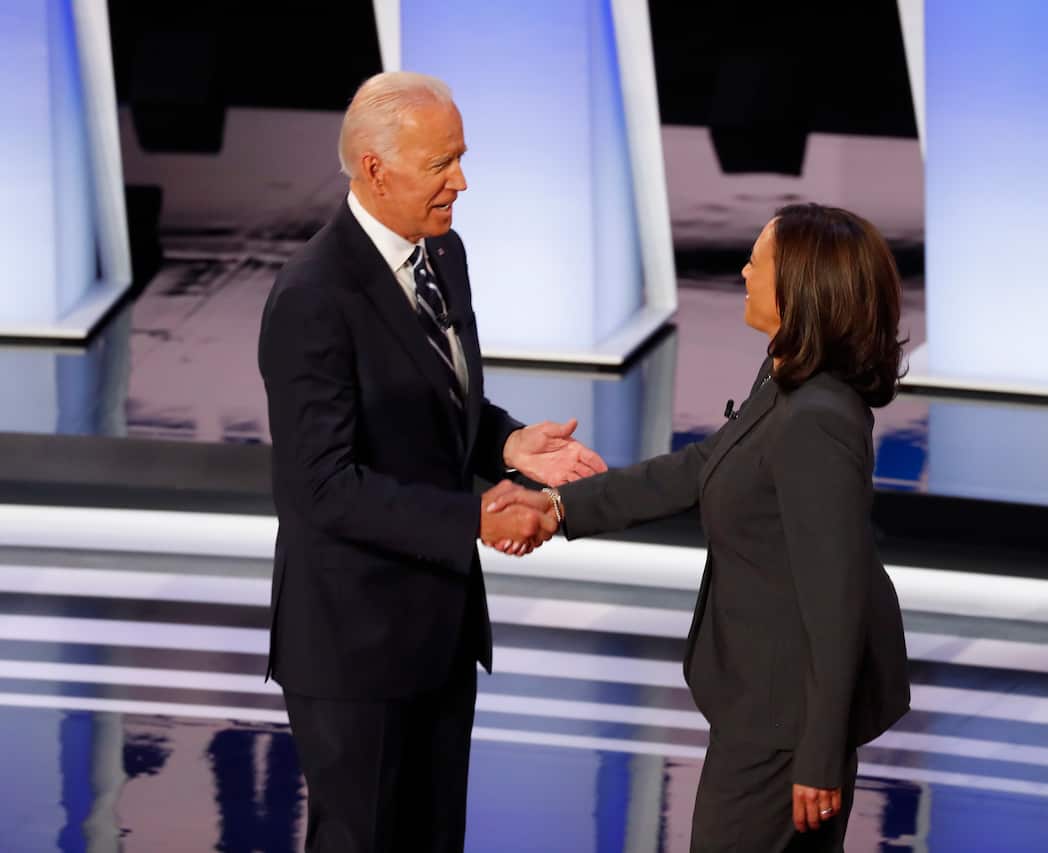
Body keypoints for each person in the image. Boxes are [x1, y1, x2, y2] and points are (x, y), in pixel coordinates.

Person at [257, 71, 604, 853]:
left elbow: (434, 403)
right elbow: (319, 487)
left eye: (462, 157)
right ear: (376, 170)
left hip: (439, 631)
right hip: (354, 649)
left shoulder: (442, 254)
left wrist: (507, 442)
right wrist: (474, 514)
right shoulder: (313, 295)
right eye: (442, 163)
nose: (462, 181)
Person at [493, 203, 911, 851]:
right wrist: (559, 507)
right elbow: (701, 467)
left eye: (759, 262)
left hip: (782, 730)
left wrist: (820, 753)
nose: (743, 271)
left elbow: (838, 602)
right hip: (763, 714)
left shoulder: (816, 420)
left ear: (800, 289)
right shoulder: (786, 381)